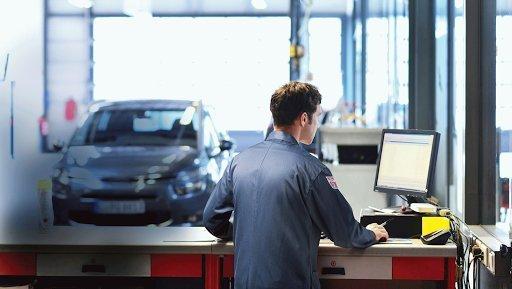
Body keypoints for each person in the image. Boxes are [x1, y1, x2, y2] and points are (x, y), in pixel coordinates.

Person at [203, 81, 389, 289]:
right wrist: (372, 233)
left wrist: (248, 230)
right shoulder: (311, 169)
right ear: (303, 119)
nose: (317, 123)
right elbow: (345, 233)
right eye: (317, 116)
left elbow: (212, 219)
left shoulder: (239, 161)